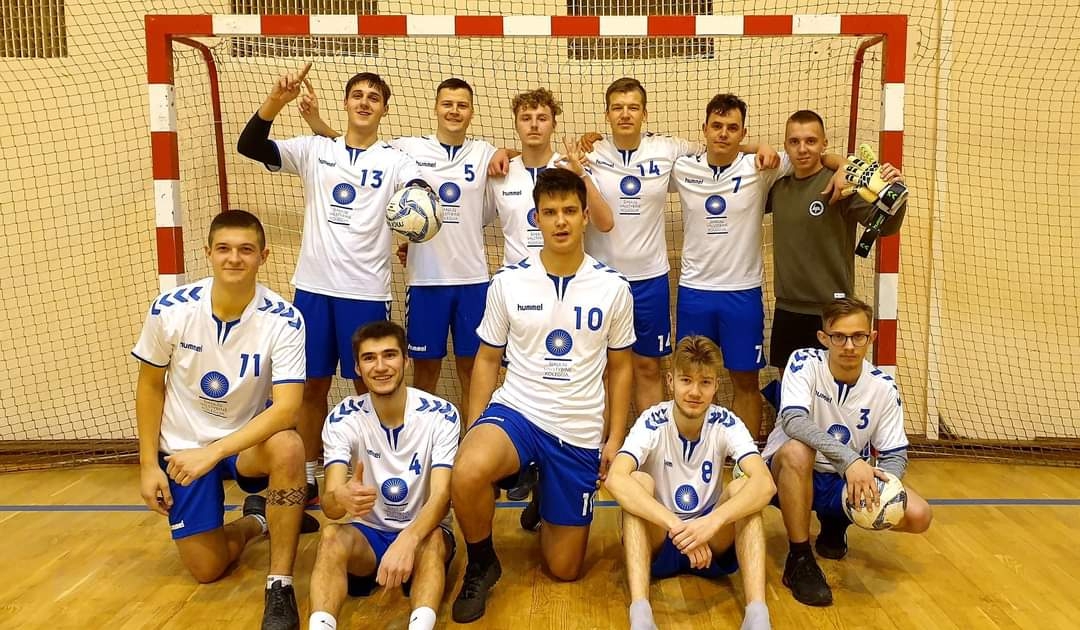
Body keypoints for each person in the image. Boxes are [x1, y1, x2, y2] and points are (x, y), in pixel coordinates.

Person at [237, 64, 432, 505]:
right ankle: (308, 475)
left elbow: (419, 190)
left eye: (374, 97)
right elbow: (249, 145)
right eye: (357, 95)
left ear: (384, 110)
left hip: (366, 292)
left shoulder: (395, 160)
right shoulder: (314, 150)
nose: (364, 102)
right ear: (345, 103)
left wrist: (418, 209)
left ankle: (379, 471)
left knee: (372, 386)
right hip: (313, 289)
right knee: (311, 387)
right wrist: (277, 101)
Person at [449, 168, 635, 623]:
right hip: (519, 411)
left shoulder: (614, 287)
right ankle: (482, 563)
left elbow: (621, 368)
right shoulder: (508, 282)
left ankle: (543, 488)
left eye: (569, 210)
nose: (560, 221)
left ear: (586, 216)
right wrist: (475, 426)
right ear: (536, 218)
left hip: (577, 427)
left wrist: (614, 439)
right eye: (550, 212)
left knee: (564, 570)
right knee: (468, 469)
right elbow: (487, 360)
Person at [133, 209, 312, 630]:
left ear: (263, 257)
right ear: (208, 253)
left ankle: (280, 584)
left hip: (243, 444)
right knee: (207, 568)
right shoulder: (170, 310)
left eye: (246, 250)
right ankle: (257, 521)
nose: (234, 258)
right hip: (183, 449)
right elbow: (150, 386)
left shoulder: (285, 319)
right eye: (224, 249)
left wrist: (213, 453)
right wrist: (147, 466)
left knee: (289, 445)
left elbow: (287, 408)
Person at [300, 77, 502, 411]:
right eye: (447, 104)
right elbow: (357, 147)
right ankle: (424, 437)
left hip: (473, 279)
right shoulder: (407, 149)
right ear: (435, 108)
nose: (454, 111)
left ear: (471, 112)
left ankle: (472, 439)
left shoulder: (483, 152)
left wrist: (504, 152)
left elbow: (523, 157)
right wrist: (316, 122)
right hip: (425, 280)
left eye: (462, 105)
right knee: (425, 371)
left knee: (472, 369)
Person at [580, 78, 778, 416]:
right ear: (607, 113)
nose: (625, 114)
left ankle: (667, 443)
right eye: (617, 108)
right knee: (604, 370)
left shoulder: (670, 150)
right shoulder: (590, 153)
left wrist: (759, 146)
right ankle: (606, 445)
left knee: (651, 367)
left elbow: (721, 148)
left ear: (645, 113)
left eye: (633, 107)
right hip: (602, 279)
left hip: (653, 280)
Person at [761, 297, 932, 607]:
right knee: (798, 452)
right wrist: (850, 460)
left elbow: (894, 453)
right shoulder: (804, 362)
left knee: (919, 515)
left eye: (858, 336)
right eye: (839, 336)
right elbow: (793, 420)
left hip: (843, 480)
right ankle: (799, 559)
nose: (849, 346)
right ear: (823, 337)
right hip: (787, 473)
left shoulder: (883, 386)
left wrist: (880, 491)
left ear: (871, 337)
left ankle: (837, 519)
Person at [605, 335, 776, 630]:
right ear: (670, 382)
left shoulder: (726, 422)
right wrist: (675, 525)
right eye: (686, 380)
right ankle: (641, 614)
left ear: (716, 386)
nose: (695, 392)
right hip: (661, 538)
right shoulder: (652, 420)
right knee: (637, 481)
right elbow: (615, 478)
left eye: (705, 382)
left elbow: (766, 484)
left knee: (744, 488)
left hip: (711, 540)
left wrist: (712, 522)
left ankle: (757, 615)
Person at [306, 321, 459, 630]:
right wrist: (341, 497)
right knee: (331, 537)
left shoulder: (441, 414)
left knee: (433, 543)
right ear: (357, 368)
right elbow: (331, 507)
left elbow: (442, 496)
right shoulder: (343, 418)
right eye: (369, 358)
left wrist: (409, 538)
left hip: (422, 531)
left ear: (406, 360)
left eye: (389, 355)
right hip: (370, 534)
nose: (380, 367)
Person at [766, 110, 908, 376]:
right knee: (790, 390)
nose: (802, 149)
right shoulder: (777, 187)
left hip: (833, 311)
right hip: (788, 309)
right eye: (794, 141)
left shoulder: (841, 184)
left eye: (811, 141)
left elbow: (885, 227)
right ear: (785, 146)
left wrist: (895, 195)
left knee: (834, 389)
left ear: (824, 143)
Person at [485, 87, 613, 266]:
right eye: (526, 118)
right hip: (516, 278)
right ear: (516, 125)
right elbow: (476, 220)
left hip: (565, 276)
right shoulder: (500, 173)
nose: (534, 125)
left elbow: (605, 224)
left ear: (554, 125)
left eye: (542, 118)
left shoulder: (573, 167)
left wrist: (581, 176)